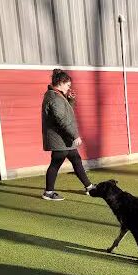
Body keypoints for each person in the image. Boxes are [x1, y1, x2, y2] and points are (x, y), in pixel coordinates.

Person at [41, 69, 94, 201]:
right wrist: (75, 135)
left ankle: (89, 187)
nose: (69, 87)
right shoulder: (54, 97)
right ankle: (48, 192)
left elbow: (65, 114)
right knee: (55, 164)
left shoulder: (57, 96)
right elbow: (62, 119)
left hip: (64, 138)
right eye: (68, 85)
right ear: (61, 83)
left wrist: (70, 100)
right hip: (60, 139)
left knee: (76, 160)